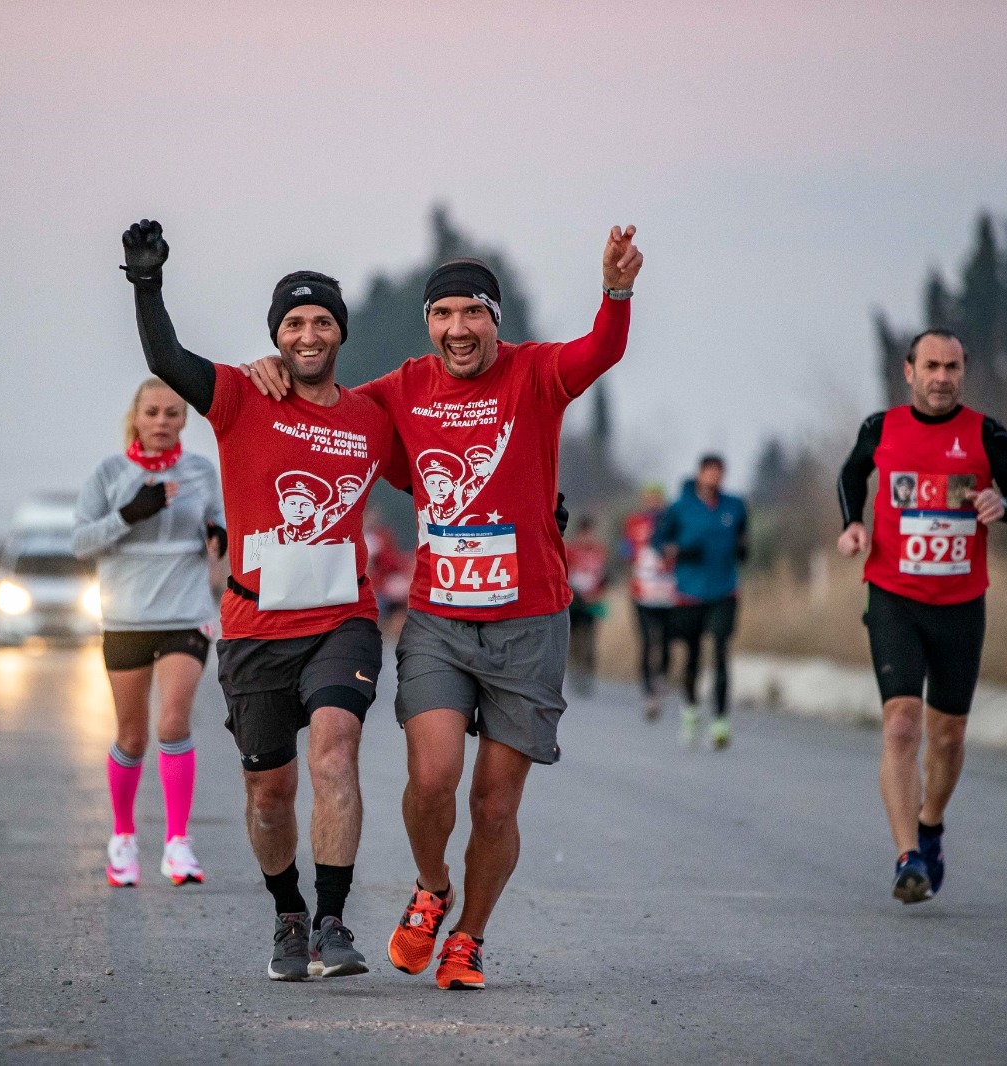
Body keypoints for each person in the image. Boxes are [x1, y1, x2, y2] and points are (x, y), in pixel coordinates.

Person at [245, 225, 643, 989]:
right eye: (443, 315)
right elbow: (330, 416)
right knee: (431, 779)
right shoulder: (404, 387)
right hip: (439, 619)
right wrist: (277, 372)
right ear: (428, 324)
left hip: (529, 622)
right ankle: (431, 889)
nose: (458, 329)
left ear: (496, 320)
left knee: (494, 805)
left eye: (473, 313)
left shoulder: (536, 375)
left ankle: (470, 936)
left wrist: (616, 293)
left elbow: (601, 350)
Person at [120, 219, 396, 980]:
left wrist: (542, 511)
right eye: (293, 323)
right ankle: (289, 916)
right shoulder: (241, 395)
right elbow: (165, 359)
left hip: (343, 619)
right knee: (269, 793)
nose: (308, 335)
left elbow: (446, 465)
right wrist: (148, 284)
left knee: (335, 750)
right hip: (253, 628)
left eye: (321, 321)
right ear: (278, 335)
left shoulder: (372, 417)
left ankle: (335, 921)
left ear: (341, 331)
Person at [836, 328, 1007, 904]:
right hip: (893, 595)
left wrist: (1004, 504)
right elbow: (852, 476)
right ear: (909, 371)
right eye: (931, 366)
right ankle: (907, 858)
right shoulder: (881, 428)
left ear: (962, 373)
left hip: (960, 604)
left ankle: (931, 825)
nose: (942, 377)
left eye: (952, 367)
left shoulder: (985, 434)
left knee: (947, 738)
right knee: (902, 723)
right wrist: (854, 525)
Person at [73, 379, 226, 888]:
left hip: (185, 613)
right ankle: (122, 837)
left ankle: (178, 844)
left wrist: (219, 532)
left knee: (174, 723)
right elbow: (80, 542)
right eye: (153, 412)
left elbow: (222, 519)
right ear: (136, 417)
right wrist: (128, 514)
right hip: (127, 618)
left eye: (173, 413)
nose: (163, 421)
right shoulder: (111, 473)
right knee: (132, 736)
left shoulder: (201, 472)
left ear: (184, 420)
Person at [655, 455, 748, 749]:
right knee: (692, 654)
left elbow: (744, 538)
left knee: (721, 651)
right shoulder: (681, 507)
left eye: (719, 473)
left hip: (724, 589)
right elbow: (659, 540)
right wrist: (677, 551)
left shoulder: (734, 506)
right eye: (709, 473)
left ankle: (721, 720)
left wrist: (742, 550)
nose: (714, 479)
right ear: (699, 474)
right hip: (689, 592)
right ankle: (691, 709)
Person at [622, 485, 677, 719]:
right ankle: (648, 691)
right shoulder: (634, 523)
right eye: (649, 498)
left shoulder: (673, 524)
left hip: (667, 592)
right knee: (646, 641)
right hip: (642, 593)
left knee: (665, 640)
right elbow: (625, 552)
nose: (653, 502)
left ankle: (662, 677)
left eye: (657, 498)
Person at [564, 514, 610, 695]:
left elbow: (605, 575)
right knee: (573, 638)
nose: (587, 537)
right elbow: (563, 574)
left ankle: (587, 673)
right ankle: (575, 672)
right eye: (584, 533)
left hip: (592, 600)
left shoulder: (599, 551)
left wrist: (599, 594)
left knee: (589, 639)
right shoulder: (570, 550)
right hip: (573, 600)